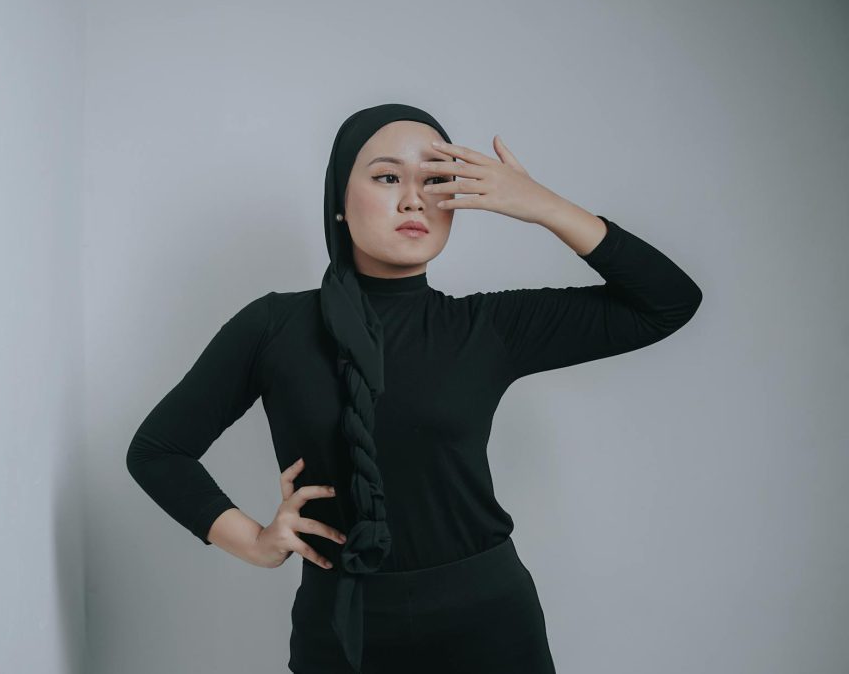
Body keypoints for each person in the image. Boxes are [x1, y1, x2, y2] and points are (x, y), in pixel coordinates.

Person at [126, 103, 703, 673]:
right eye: (386, 177)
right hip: (341, 632)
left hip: (490, 627)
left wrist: (543, 207)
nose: (413, 199)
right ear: (339, 204)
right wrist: (253, 541)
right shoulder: (273, 327)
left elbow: (668, 301)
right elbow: (158, 452)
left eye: (436, 181)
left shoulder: (487, 329)